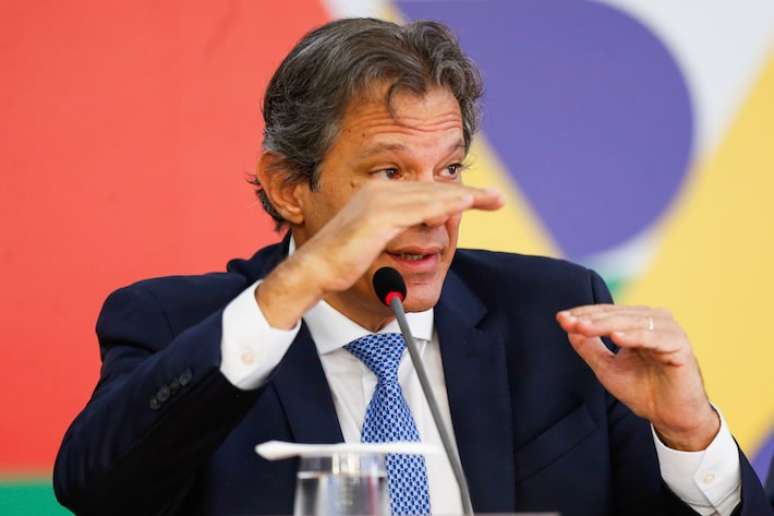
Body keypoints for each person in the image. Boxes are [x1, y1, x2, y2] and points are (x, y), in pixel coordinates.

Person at [53, 18, 772, 516]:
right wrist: (294, 289)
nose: (431, 212)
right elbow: (102, 493)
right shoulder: (179, 326)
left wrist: (690, 437)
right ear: (287, 186)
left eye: (448, 168)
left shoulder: (555, 321)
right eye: (390, 175)